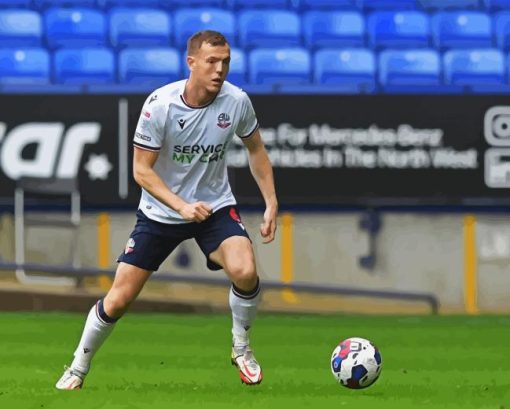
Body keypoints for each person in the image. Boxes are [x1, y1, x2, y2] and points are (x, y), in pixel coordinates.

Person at [55, 30, 277, 389]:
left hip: (214, 207)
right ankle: (78, 366)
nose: (220, 70)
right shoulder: (160, 105)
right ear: (191, 63)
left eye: (226, 62)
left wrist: (271, 202)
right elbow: (140, 171)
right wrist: (181, 206)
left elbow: (256, 150)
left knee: (245, 270)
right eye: (212, 61)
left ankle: (242, 348)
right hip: (161, 212)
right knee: (120, 299)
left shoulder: (237, 101)